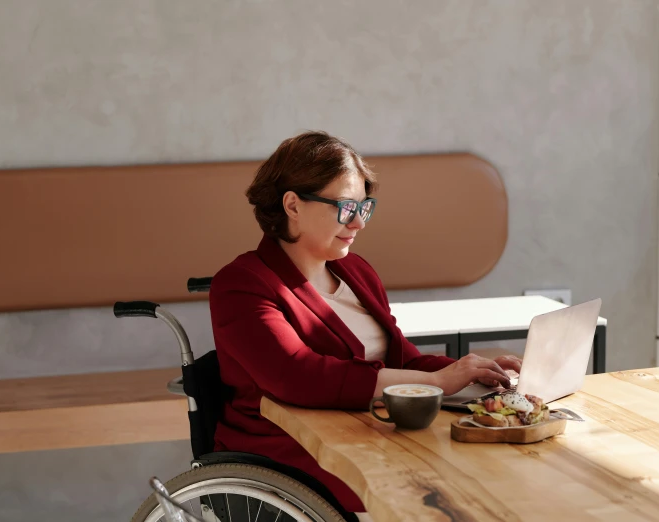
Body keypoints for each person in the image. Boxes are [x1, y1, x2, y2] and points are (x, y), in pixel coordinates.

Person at [208, 131, 521, 516]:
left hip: (370, 435)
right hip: (293, 455)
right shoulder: (242, 284)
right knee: (443, 490)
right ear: (292, 204)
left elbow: (402, 362)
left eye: (364, 207)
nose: (358, 223)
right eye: (344, 207)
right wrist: (438, 382)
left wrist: (472, 374)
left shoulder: (356, 271)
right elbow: (297, 376)